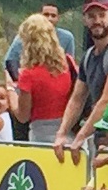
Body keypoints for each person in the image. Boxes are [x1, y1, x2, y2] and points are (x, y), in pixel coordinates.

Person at [54, 0, 108, 162]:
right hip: (101, 138)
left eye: (102, 15)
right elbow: (77, 98)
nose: (97, 21)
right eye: (92, 16)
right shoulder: (88, 56)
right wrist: (61, 134)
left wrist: (80, 137)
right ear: (85, 21)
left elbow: (107, 100)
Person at [12, 12, 75, 145]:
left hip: (42, 135)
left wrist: (10, 90)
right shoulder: (67, 63)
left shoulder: (28, 74)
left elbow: (23, 116)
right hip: (70, 130)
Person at [1, 2, 77, 82]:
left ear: (58, 18)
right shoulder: (25, 36)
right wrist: (18, 81)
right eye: (46, 15)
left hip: (55, 82)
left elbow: (69, 66)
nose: (49, 18)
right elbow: (10, 61)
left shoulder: (67, 37)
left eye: (53, 16)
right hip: (29, 80)